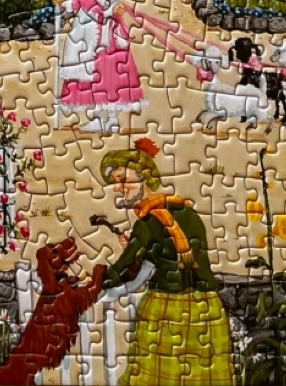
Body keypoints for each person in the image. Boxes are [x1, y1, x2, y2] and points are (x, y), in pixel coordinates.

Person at [96, 139, 234, 386]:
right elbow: (167, 259)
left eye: (123, 180)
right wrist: (142, 248)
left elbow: (121, 269)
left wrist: (95, 284)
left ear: (143, 176)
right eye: (116, 182)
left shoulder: (147, 224)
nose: (118, 188)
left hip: (166, 310)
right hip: (208, 310)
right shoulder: (187, 212)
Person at [44, 0, 145, 133]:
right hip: (105, 30)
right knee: (107, 76)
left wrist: (66, 4)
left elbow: (88, 1)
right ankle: (108, 120)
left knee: (99, 75)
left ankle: (106, 119)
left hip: (94, 30)